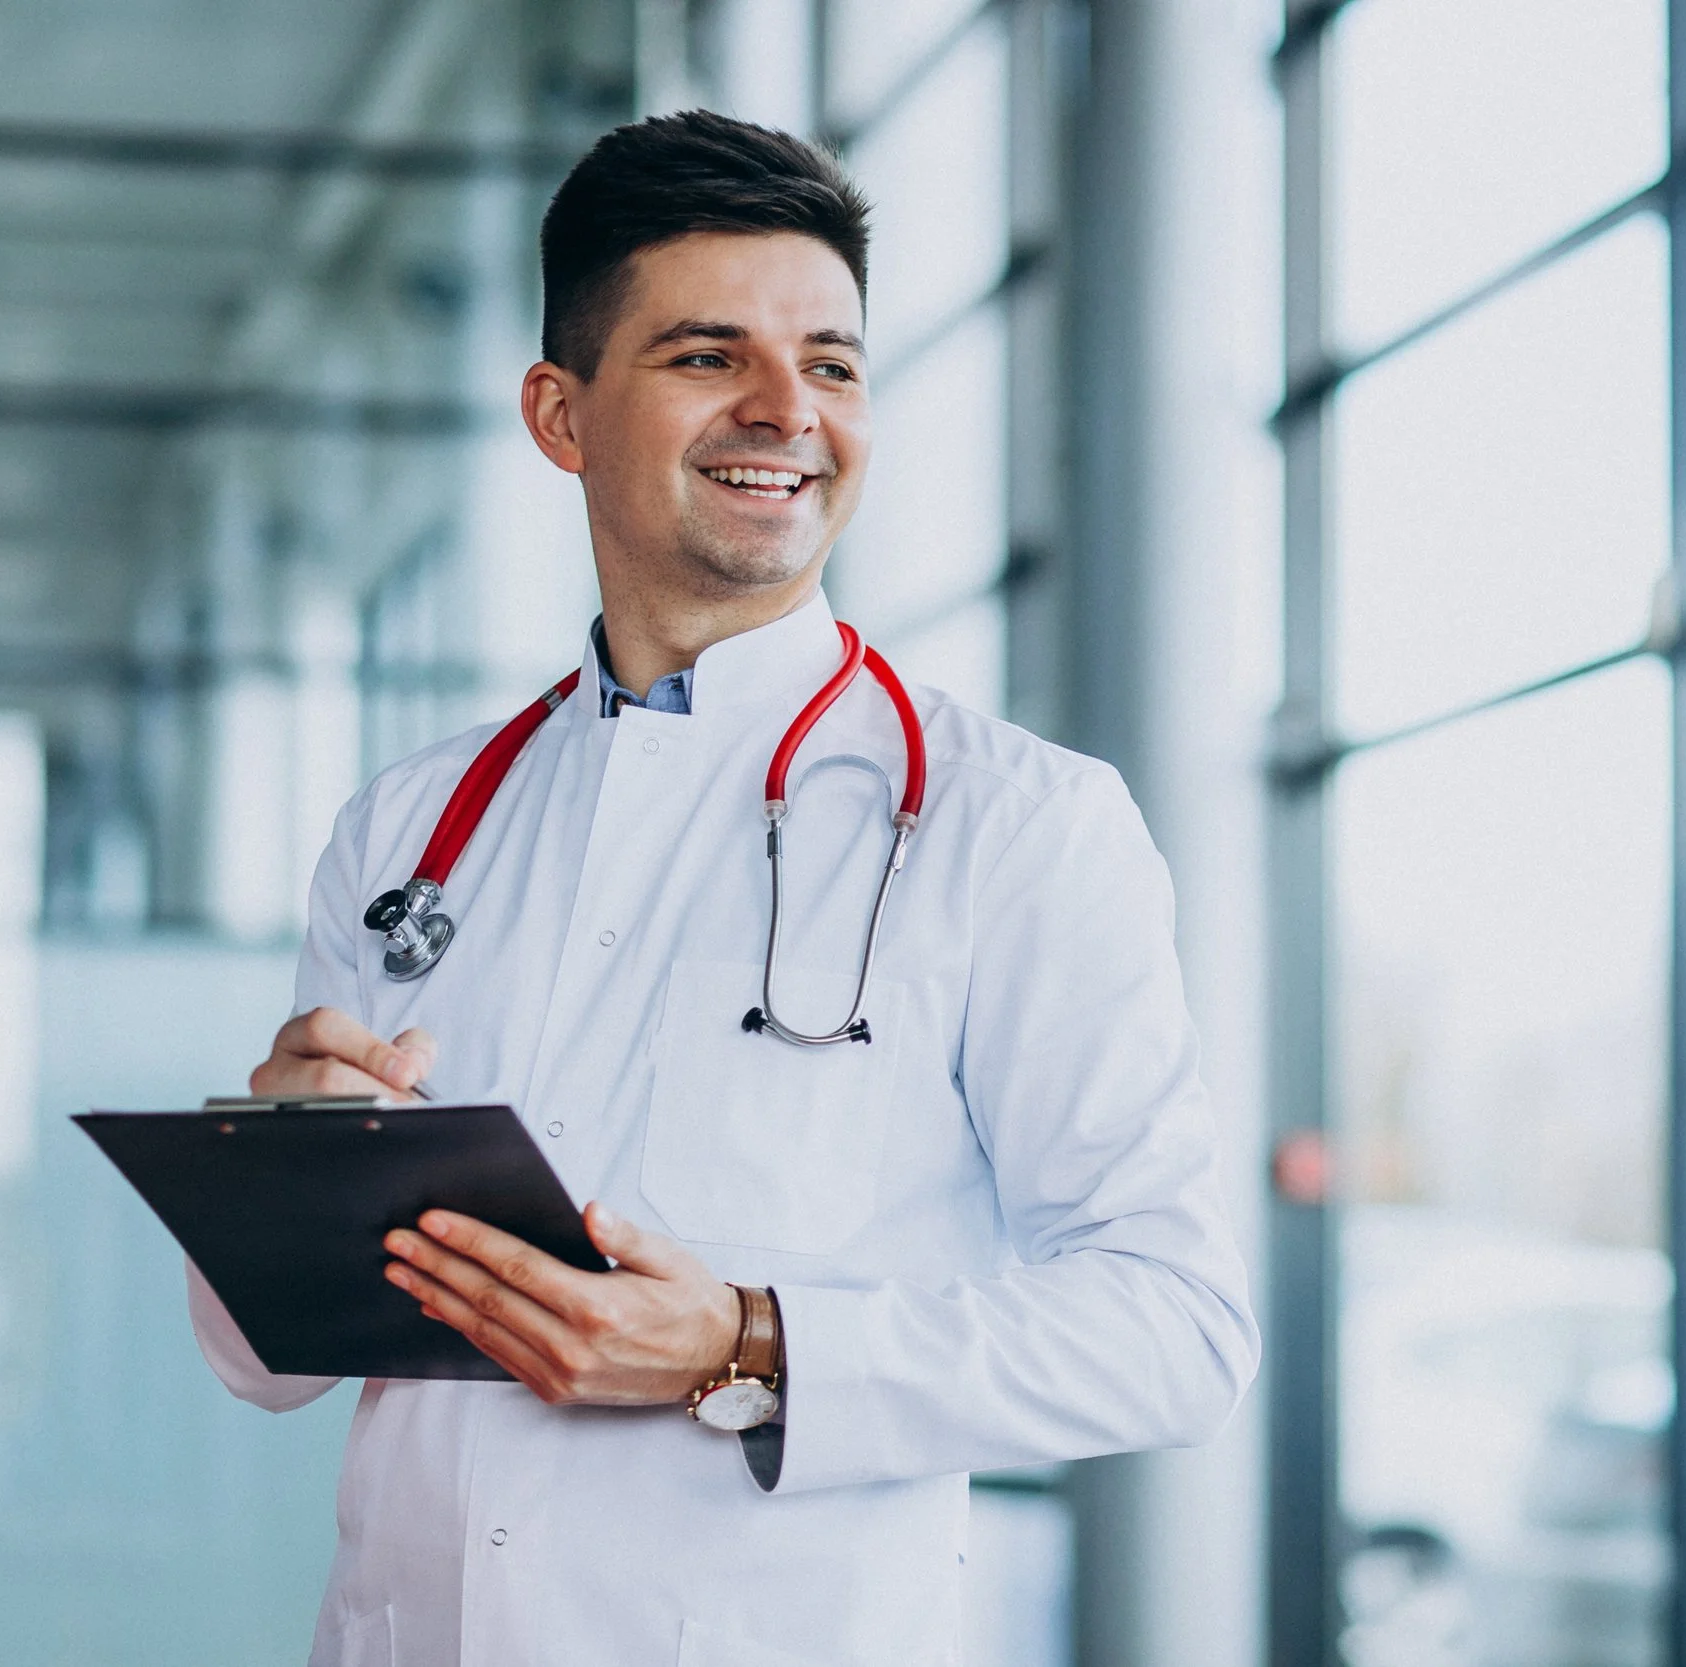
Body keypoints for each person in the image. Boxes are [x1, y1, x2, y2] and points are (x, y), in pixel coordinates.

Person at [190, 110, 1259, 1667]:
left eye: (831, 362)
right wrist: (280, 1165)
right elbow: (261, 1361)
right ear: (562, 414)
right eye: (709, 355)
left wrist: (752, 1342)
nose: (788, 409)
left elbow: (1179, 1328)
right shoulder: (411, 825)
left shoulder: (1018, 824)